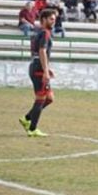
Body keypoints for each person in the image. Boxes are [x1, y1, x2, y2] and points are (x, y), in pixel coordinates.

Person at [18, 9, 58, 137]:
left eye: (54, 19)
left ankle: (27, 118)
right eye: (51, 19)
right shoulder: (45, 33)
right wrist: (45, 70)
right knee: (40, 99)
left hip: (36, 65)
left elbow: (37, 53)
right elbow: (42, 51)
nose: (54, 21)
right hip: (39, 69)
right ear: (44, 19)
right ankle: (32, 129)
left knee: (50, 98)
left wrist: (47, 67)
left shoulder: (37, 32)